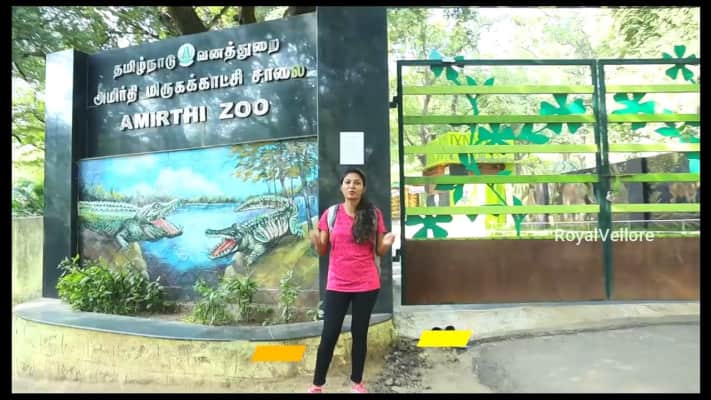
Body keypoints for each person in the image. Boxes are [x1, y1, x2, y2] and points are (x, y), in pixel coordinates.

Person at [307, 168, 396, 394]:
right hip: (337, 283)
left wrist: (387, 243)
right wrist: (316, 241)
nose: (352, 186)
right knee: (329, 335)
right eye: (348, 182)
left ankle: (357, 383)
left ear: (363, 188)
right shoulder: (331, 214)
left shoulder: (373, 214)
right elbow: (323, 250)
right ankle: (317, 385)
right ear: (341, 187)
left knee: (359, 334)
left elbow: (379, 250)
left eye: (357, 183)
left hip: (366, 283)